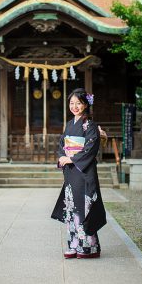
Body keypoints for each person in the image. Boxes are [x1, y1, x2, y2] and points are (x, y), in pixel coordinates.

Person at [51, 88, 107, 259]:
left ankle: (89, 247)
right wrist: (62, 156)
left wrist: (71, 159)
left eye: (78, 103)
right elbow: (62, 144)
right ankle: (74, 244)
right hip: (71, 173)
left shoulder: (90, 125)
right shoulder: (69, 124)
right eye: (71, 103)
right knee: (72, 208)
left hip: (84, 171)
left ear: (85, 105)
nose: (74, 106)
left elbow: (91, 148)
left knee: (84, 207)